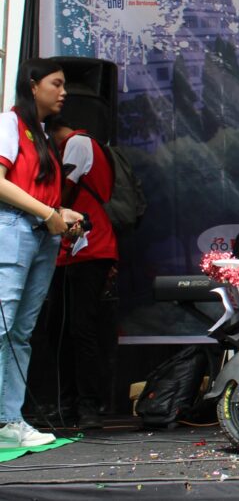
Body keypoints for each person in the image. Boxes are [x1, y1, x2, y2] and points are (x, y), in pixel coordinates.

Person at [0, 59, 84, 448]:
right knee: (4, 327)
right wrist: (48, 213)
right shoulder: (9, 123)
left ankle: (9, 419)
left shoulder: (43, 133)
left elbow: (36, 191)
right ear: (33, 86)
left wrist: (61, 213)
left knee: (21, 332)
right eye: (56, 83)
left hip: (39, 234)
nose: (63, 92)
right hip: (14, 228)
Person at [47, 116, 119, 430]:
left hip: (90, 245)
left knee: (81, 327)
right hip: (70, 248)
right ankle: (67, 402)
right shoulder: (77, 144)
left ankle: (88, 404)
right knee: (59, 327)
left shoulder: (77, 142)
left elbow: (63, 193)